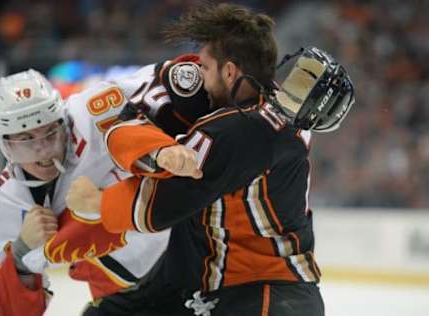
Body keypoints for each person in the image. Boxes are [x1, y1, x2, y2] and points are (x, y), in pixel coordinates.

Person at [66, 3, 355, 316]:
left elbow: (162, 205)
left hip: (266, 293)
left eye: (204, 67)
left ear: (229, 71)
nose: (198, 75)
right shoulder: (272, 110)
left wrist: (97, 203)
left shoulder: (237, 129)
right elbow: (130, 125)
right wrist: (161, 151)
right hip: (220, 284)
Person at [0, 69, 173, 316]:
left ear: (64, 121)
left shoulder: (92, 113)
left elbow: (174, 75)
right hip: (121, 291)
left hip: (181, 256)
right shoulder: (4, 200)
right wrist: (21, 255)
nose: (43, 153)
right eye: (26, 141)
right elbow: (14, 312)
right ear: (6, 145)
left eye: (50, 134)